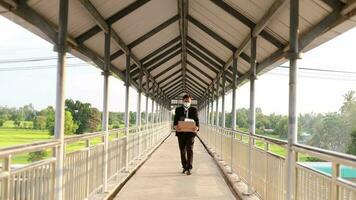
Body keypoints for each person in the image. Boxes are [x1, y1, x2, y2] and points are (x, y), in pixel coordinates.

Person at [173, 94, 199, 175]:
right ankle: (184, 166)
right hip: (181, 133)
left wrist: (197, 127)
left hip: (191, 133)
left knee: (190, 150)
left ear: (190, 101)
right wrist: (175, 127)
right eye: (185, 101)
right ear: (182, 101)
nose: (187, 102)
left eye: (188, 101)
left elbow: (197, 120)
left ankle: (189, 168)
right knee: (182, 150)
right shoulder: (178, 109)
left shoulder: (194, 110)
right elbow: (175, 120)